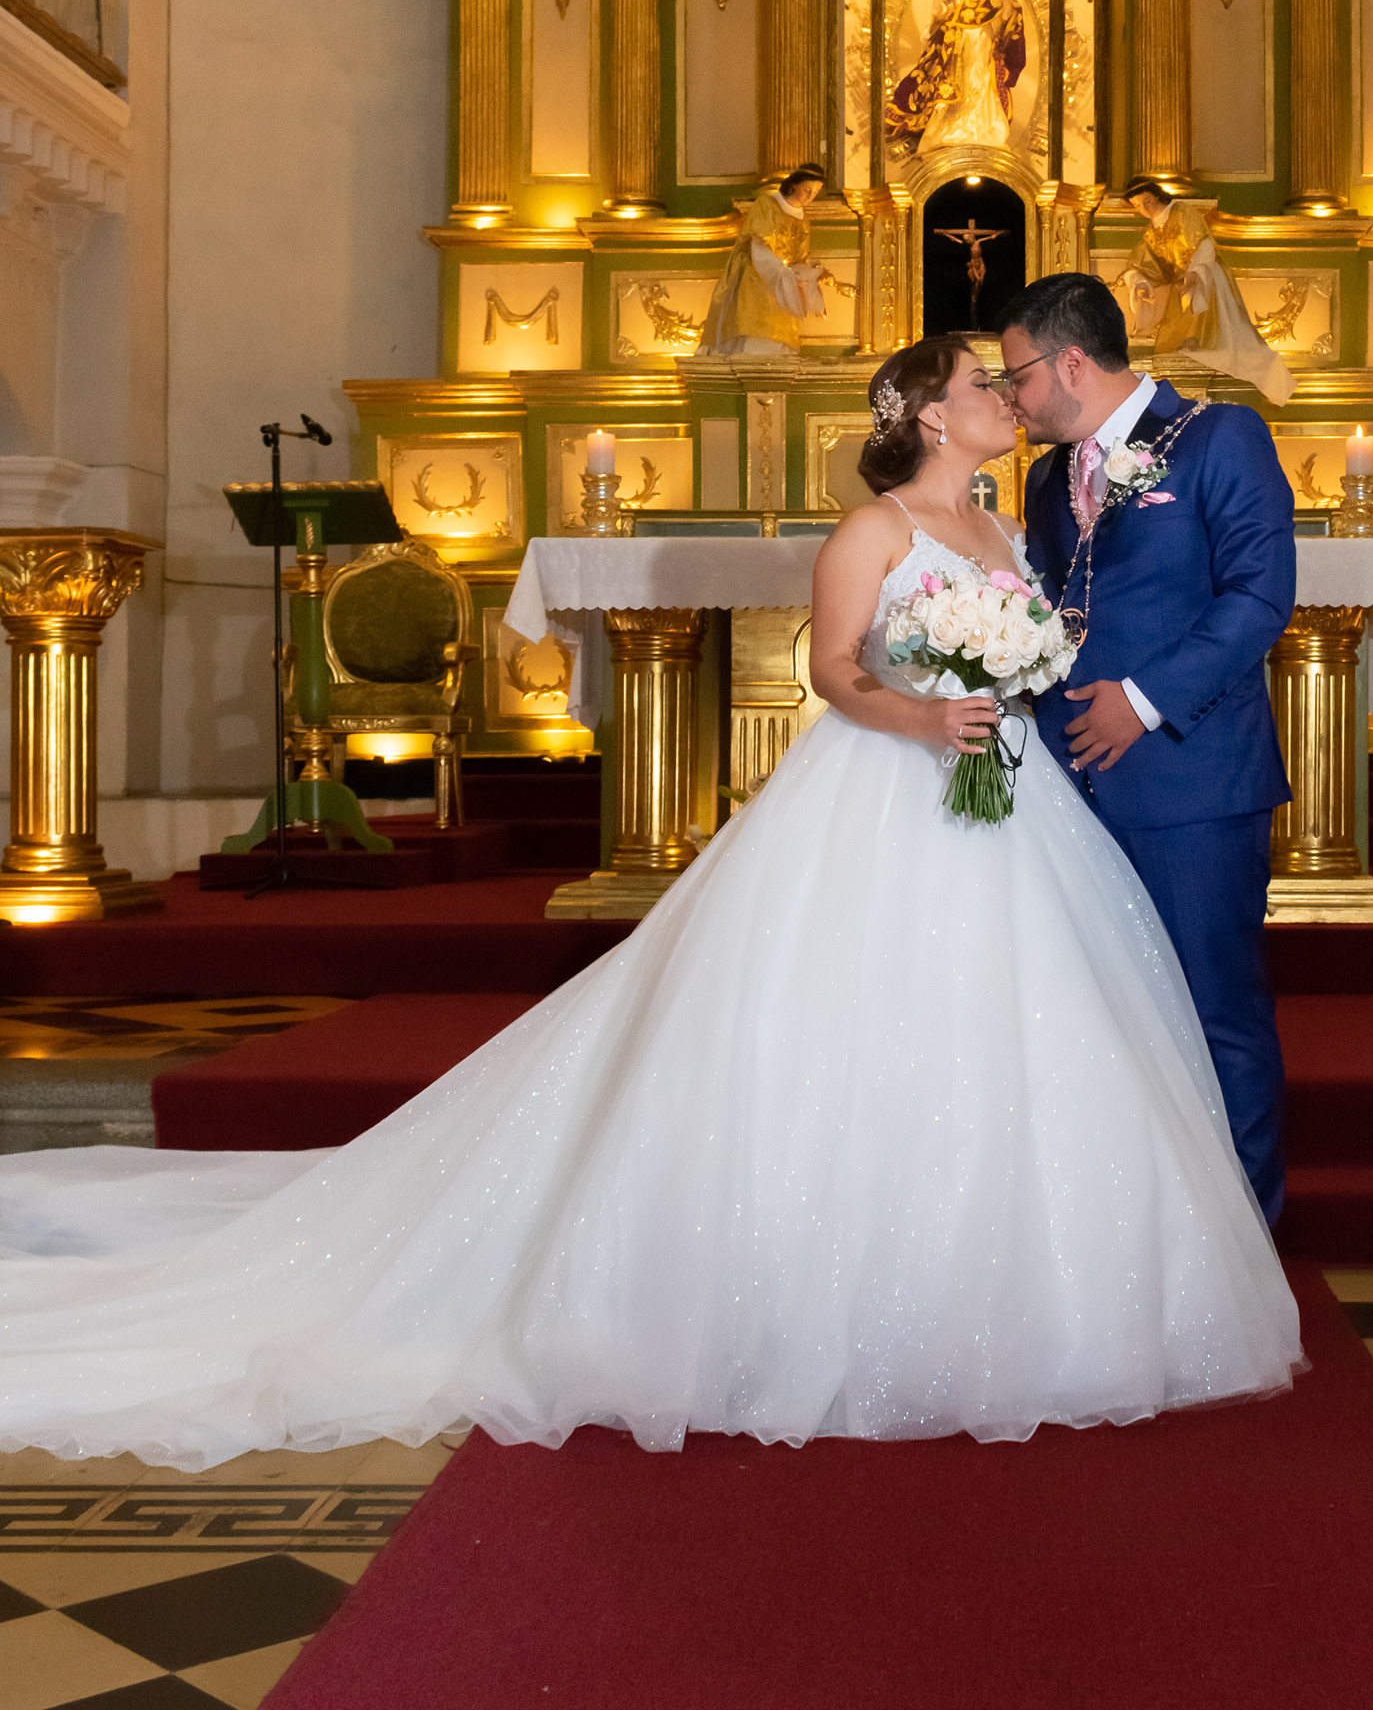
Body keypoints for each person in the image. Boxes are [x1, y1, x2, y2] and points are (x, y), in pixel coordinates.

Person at [0, 335, 1300, 1469]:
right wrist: (925, 714)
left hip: (1009, 797)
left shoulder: (1013, 529)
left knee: (1032, 1028)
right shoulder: (874, 532)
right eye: (978, 385)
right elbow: (835, 670)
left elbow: (1044, 642)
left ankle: (1023, 1291)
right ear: (922, 412)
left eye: (1000, 383)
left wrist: (1010, 685)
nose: (1002, 400)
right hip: (892, 787)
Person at [998, 272, 1296, 1223]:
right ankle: (1134, 1227)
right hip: (1070, 789)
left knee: (1216, 1010)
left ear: (1069, 363)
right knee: (1097, 1015)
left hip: (1191, 784)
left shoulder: (1220, 438)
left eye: (1017, 376)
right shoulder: (1046, 478)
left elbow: (1259, 596)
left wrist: (1143, 700)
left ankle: (1244, 1235)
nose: (1011, 397)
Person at [1116, 177, 1295, 409]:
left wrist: (1195, 273)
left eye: (1147, 201)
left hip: (1203, 279)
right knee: (1175, 345)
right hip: (1180, 287)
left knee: (1210, 334)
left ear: (1157, 195)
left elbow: (1204, 245)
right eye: (1138, 206)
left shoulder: (1182, 212)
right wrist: (1139, 282)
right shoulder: (1152, 232)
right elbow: (1142, 264)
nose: (1145, 208)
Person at [885, 0, 1026, 156]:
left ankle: (983, 131)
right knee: (956, 83)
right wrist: (936, 11)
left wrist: (1006, 12)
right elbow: (941, 22)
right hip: (957, 44)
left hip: (984, 42)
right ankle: (951, 131)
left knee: (982, 83)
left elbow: (1004, 24)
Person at [695, 162, 828, 357]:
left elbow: (799, 259)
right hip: (758, 278)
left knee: (781, 338)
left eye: (815, 192)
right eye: (807, 190)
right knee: (756, 335)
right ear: (794, 185)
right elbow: (759, 247)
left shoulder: (803, 219)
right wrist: (783, 275)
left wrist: (811, 275)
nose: (810, 196)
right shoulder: (767, 204)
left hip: (785, 287)